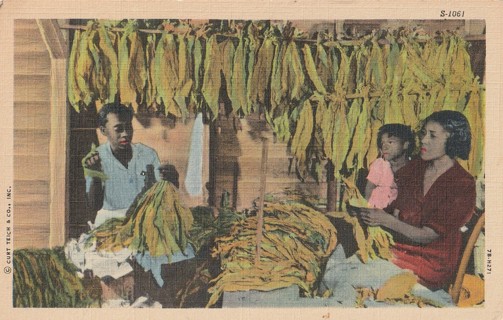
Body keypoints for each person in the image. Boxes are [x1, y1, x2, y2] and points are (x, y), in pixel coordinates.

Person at [321, 110, 476, 306]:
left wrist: (386, 220)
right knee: (337, 258)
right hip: (396, 248)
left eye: (432, 135)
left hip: (428, 263)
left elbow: (427, 235)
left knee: (346, 277)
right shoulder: (415, 168)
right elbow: (393, 205)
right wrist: (364, 210)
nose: (424, 140)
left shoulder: (462, 183)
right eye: (423, 133)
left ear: (452, 140)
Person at [83, 102, 161, 227]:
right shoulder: (96, 158)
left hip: (144, 221)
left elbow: (160, 194)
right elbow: (94, 205)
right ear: (104, 131)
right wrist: (96, 174)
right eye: (118, 129)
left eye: (128, 127)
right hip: (109, 223)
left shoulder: (147, 155)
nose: (125, 134)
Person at [364, 124, 415, 210]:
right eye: (382, 143)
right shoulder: (380, 164)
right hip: (376, 210)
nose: (385, 146)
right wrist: (366, 207)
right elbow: (369, 189)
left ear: (405, 145)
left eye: (390, 142)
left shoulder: (413, 167)